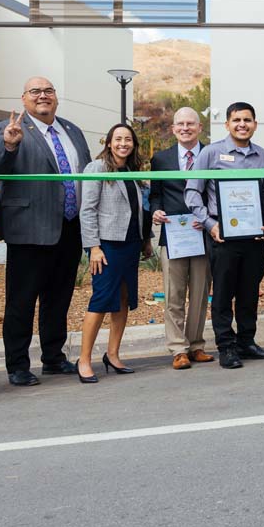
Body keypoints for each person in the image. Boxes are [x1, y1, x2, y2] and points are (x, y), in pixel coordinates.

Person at [0, 77, 92, 386]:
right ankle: (17, 365)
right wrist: (9, 144)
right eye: (36, 91)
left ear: (56, 97)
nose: (43, 96)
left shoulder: (71, 130)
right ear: (24, 98)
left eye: (48, 91)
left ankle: (54, 358)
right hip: (29, 228)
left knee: (58, 299)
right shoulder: (10, 128)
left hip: (69, 228)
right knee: (21, 302)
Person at [185, 102, 264, 369]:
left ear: (255, 124)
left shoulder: (262, 155)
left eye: (247, 120)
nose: (242, 125)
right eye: (236, 120)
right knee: (223, 295)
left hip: (253, 237)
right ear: (227, 124)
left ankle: (247, 342)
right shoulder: (211, 154)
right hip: (222, 237)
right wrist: (209, 224)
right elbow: (192, 192)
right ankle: (226, 346)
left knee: (249, 293)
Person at [76, 124, 153, 383]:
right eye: (118, 139)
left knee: (123, 299)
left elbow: (139, 208)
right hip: (107, 245)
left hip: (131, 243)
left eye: (128, 139)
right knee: (101, 300)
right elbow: (87, 210)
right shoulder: (97, 168)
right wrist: (93, 247)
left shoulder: (132, 170)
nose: (123, 143)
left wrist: (146, 240)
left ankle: (113, 354)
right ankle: (84, 360)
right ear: (109, 143)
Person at [150, 107, 213, 370]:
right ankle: (178, 349)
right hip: (173, 235)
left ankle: (196, 345)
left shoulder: (210, 155)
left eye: (190, 123)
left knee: (199, 294)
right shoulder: (160, 159)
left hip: (202, 232)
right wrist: (155, 211)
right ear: (174, 129)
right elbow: (155, 194)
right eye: (180, 124)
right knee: (174, 294)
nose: (185, 128)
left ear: (200, 127)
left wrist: (209, 218)